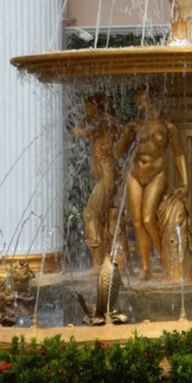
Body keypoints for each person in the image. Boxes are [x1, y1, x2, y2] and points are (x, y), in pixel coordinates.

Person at [116, 86, 188, 281]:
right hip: (135, 174)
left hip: (157, 174)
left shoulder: (168, 127)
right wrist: (126, 133)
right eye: (138, 104)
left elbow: (179, 153)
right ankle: (146, 267)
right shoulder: (136, 125)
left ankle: (166, 259)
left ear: (153, 100)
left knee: (148, 219)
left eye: (142, 102)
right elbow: (119, 153)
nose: (140, 107)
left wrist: (186, 181)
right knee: (137, 222)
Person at [73, 93, 121, 272]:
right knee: (102, 218)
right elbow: (76, 133)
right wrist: (86, 119)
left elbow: (81, 133)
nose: (86, 109)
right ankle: (108, 260)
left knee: (89, 215)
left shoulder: (104, 123)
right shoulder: (101, 121)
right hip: (99, 177)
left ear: (98, 107)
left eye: (88, 106)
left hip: (107, 177)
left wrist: (86, 121)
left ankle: (96, 264)